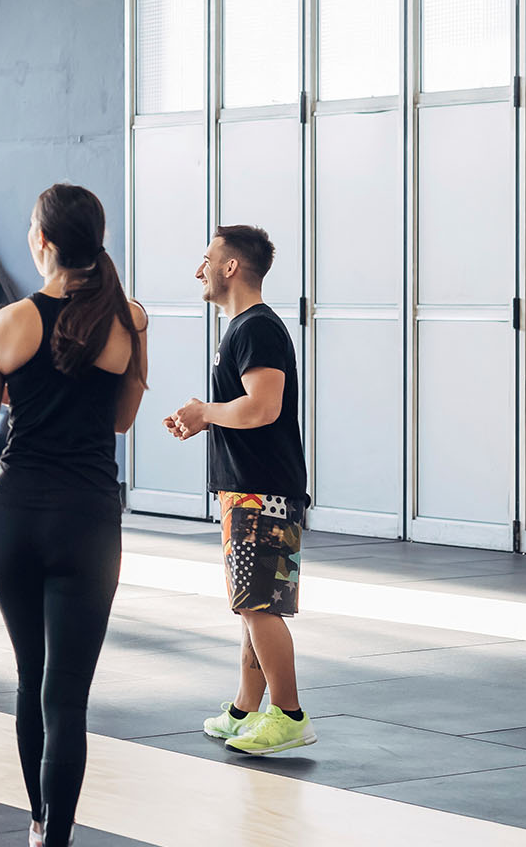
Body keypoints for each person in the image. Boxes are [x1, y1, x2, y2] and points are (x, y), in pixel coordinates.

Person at [0, 184, 147, 847]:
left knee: (32, 676)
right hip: (87, 522)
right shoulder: (130, 320)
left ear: (44, 242)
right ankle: (55, 840)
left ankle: (35, 824)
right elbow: (116, 420)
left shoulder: (7, 324)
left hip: (17, 519)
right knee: (67, 699)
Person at [165, 225, 315, 756]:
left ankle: (290, 714)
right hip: (247, 490)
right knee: (250, 603)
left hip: (262, 491)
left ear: (231, 267)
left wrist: (205, 412)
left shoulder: (256, 329)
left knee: (259, 606)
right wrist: (205, 419)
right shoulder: (241, 330)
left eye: (206, 259)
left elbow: (264, 406)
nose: (199, 269)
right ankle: (246, 708)